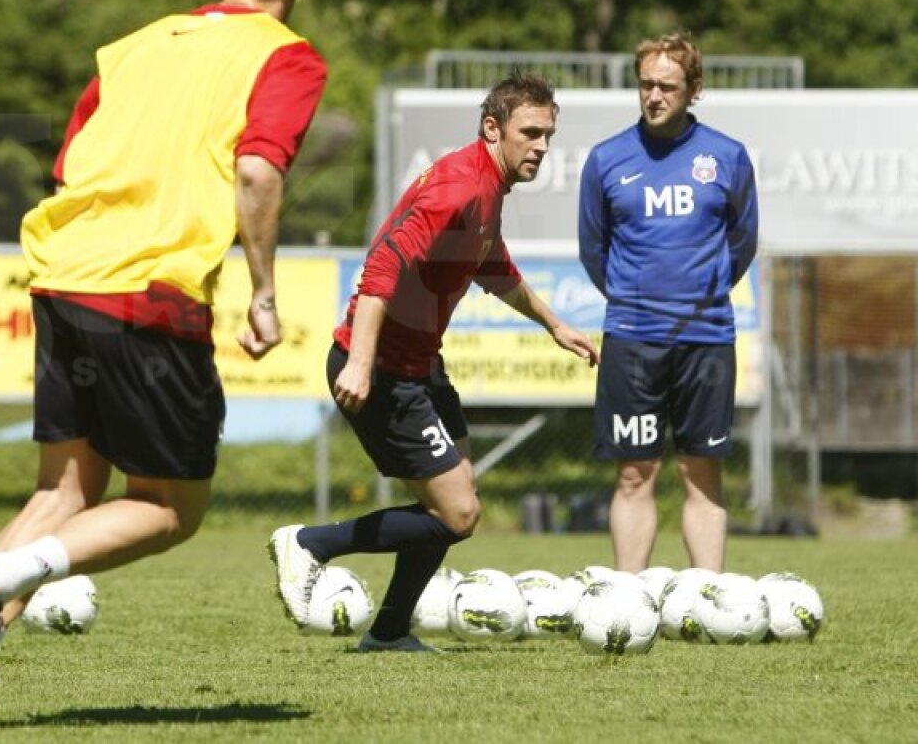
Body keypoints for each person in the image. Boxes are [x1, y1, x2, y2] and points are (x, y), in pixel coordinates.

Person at [0, 0, 327, 727]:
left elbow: (71, 165)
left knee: (66, 488)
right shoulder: (285, 55)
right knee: (172, 505)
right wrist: (263, 293)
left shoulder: (132, 46)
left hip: (65, 274)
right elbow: (257, 171)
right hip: (147, 292)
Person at [269, 72, 598, 652]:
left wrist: (555, 325)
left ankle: (390, 632)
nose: (542, 147)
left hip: (421, 364)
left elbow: (493, 266)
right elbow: (380, 268)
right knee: (459, 513)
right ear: (492, 129)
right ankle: (310, 544)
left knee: (455, 499)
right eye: (531, 133)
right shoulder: (457, 189)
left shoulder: (487, 189)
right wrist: (362, 363)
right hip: (385, 370)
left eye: (549, 135)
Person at [577, 32, 759, 573]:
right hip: (632, 338)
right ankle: (627, 599)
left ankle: (709, 597)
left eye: (667, 86)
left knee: (701, 471)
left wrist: (701, 292)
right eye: (646, 85)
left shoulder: (727, 157)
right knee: (635, 473)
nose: (654, 96)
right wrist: (635, 300)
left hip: (707, 337)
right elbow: (594, 247)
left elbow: (742, 241)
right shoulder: (607, 159)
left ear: (693, 90)